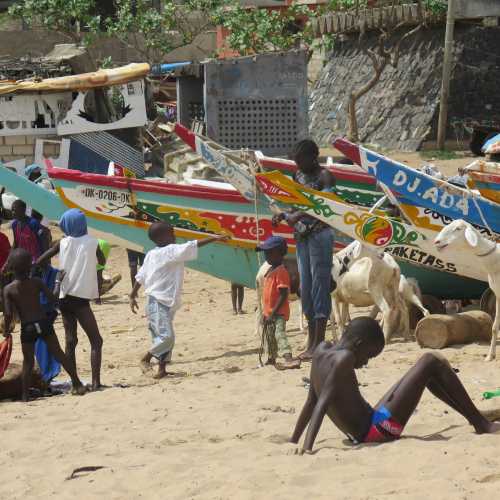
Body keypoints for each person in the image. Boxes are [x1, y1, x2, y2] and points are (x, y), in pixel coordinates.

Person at [290, 317, 500, 454]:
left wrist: (294, 440)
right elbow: (322, 402)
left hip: (369, 424)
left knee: (426, 372)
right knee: (430, 361)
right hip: (377, 431)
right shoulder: (344, 358)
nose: (365, 363)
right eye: (369, 356)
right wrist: (307, 448)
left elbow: (311, 400)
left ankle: (476, 418)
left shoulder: (321, 350)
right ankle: (481, 423)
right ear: (358, 345)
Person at [129, 222, 228, 379]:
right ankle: (146, 358)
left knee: (162, 336)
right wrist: (215, 238)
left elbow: (140, 276)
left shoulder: (151, 254)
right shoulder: (171, 250)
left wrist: (132, 295)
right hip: (158, 301)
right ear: (162, 237)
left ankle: (162, 369)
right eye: (172, 233)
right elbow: (193, 245)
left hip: (164, 301)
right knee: (167, 337)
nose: (175, 236)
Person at [273, 140, 335, 360]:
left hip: (320, 236)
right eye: (295, 162)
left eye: (300, 160)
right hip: (302, 236)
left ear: (313, 156)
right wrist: (284, 214)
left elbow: (326, 205)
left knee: (320, 286)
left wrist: (297, 216)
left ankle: (318, 344)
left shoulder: (325, 177)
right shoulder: (297, 176)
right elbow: (294, 203)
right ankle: (311, 342)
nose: (297, 165)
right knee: (305, 288)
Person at [2, 248, 86, 401]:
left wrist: (6, 330)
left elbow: (8, 314)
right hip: (44, 322)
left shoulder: (8, 289)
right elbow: (54, 299)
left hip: (27, 328)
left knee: (28, 361)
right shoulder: (37, 282)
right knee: (59, 353)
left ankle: (25, 395)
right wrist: (57, 282)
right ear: (30, 266)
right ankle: (77, 382)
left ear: (12, 268)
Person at [36, 209, 105, 391]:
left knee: (70, 340)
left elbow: (40, 261)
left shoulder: (62, 243)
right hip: (80, 299)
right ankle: (96, 383)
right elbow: (102, 259)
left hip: (64, 297)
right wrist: (94, 270)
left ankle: (75, 383)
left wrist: (55, 275)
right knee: (96, 341)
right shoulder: (92, 242)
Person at [257, 236, 301, 370]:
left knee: (279, 335)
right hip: (269, 312)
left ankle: (288, 357)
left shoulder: (281, 271)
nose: (266, 255)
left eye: (270, 252)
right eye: (265, 252)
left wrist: (273, 312)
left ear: (280, 253)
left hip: (278, 312)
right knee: (269, 337)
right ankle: (271, 358)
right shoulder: (270, 270)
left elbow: (283, 295)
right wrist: (266, 313)